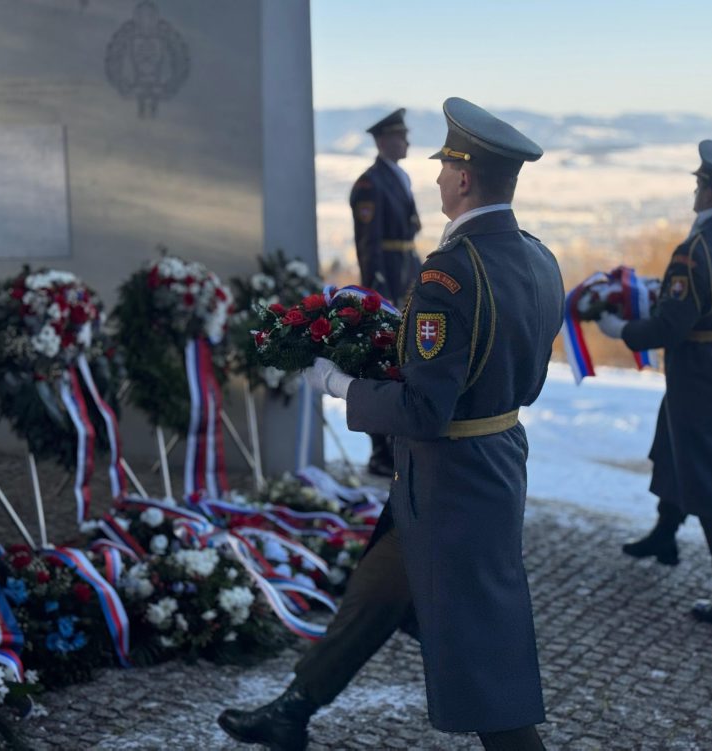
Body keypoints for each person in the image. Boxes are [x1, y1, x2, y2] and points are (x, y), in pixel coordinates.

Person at [218, 97, 563, 751]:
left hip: (450, 481)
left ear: (464, 178)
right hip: (486, 461)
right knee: (378, 589)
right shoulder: (539, 258)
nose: (435, 178)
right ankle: (294, 709)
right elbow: (503, 373)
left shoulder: (449, 274)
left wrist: (339, 382)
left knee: (481, 640)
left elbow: (427, 410)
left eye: (445, 168)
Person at [598, 140, 712, 633]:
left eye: (698, 185)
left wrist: (620, 332)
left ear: (708, 191)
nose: (695, 192)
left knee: (710, 476)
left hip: (702, 367)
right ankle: (665, 531)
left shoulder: (695, 251)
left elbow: (670, 327)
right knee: (672, 440)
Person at [350, 108, 422, 476]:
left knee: (404, 360)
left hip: (406, 276)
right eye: (400, 135)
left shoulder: (398, 177)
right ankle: (381, 450)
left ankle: (398, 443)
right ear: (382, 141)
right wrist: (377, 294)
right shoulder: (370, 184)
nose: (407, 141)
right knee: (381, 363)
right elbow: (370, 245)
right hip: (388, 283)